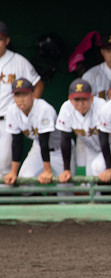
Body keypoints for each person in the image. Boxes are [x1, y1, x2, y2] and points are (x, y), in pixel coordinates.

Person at [0, 21, 44, 179]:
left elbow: (38, 84)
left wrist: (30, 109)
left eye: (0, 39)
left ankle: (4, 202)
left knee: (4, 165)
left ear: (7, 41)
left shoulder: (18, 61)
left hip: (7, 119)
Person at [3, 78, 63, 185]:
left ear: (32, 94)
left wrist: (47, 170)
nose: (21, 99)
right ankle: (42, 201)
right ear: (13, 97)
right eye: (17, 95)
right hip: (39, 147)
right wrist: (13, 172)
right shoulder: (12, 111)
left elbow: (45, 141)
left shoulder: (43, 108)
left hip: (60, 150)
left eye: (24, 94)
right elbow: (17, 142)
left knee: (65, 189)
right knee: (25, 180)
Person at [56, 78, 111, 183]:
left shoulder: (101, 106)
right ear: (70, 99)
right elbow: (65, 140)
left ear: (91, 98)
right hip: (91, 148)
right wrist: (66, 169)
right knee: (90, 184)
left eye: (84, 99)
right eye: (77, 99)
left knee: (99, 167)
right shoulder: (66, 108)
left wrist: (108, 167)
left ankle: (107, 199)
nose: (81, 103)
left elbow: (104, 139)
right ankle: (102, 199)